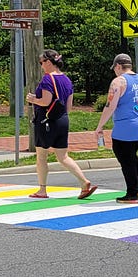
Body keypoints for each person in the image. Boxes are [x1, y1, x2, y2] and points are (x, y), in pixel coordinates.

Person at [24, 49, 98, 200]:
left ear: (49, 62)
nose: (41, 66)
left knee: (41, 156)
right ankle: (83, 181)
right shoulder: (67, 80)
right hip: (63, 119)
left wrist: (33, 100)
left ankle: (42, 190)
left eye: (42, 62)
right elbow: (69, 107)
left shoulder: (47, 80)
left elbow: (45, 101)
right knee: (63, 156)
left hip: (46, 121)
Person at [95, 53, 138, 203]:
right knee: (131, 155)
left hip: (126, 125)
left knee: (124, 156)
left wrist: (99, 126)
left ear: (118, 66)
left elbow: (110, 106)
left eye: (115, 68)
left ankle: (132, 192)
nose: (115, 71)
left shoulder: (118, 82)